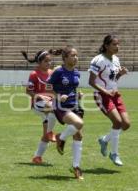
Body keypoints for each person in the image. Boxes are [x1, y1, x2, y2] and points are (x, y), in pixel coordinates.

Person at [88, 34, 130, 166]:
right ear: (106, 46)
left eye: (118, 44)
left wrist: (120, 75)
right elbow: (91, 81)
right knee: (117, 122)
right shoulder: (98, 60)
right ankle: (114, 154)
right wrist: (105, 92)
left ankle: (105, 140)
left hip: (115, 94)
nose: (117, 47)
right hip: (102, 95)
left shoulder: (116, 59)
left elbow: (113, 80)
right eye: (114, 44)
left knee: (126, 124)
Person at [48, 46, 84, 180]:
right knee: (79, 123)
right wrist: (58, 96)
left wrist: (78, 94)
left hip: (74, 105)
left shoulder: (77, 72)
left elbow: (72, 88)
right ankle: (61, 138)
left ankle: (76, 167)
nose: (75, 58)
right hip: (61, 107)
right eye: (72, 55)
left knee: (78, 136)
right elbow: (48, 86)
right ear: (65, 58)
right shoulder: (58, 71)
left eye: (76, 55)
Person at [21, 50, 57, 165]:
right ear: (39, 62)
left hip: (51, 104)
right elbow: (28, 91)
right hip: (37, 104)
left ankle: (37, 157)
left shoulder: (53, 73)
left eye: (50, 61)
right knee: (52, 108)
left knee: (46, 134)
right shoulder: (34, 74)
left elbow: (56, 90)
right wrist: (40, 96)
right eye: (46, 61)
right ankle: (54, 134)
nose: (48, 63)